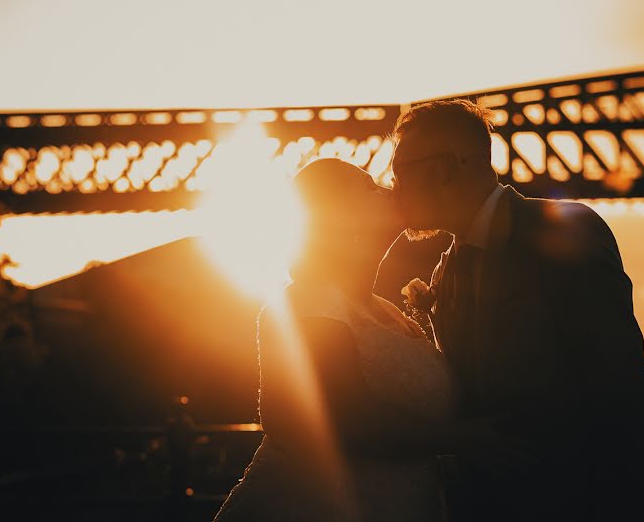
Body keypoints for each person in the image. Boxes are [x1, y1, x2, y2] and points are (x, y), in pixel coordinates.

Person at [391, 99, 644, 521]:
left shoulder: (565, 230)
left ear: (445, 168)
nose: (393, 189)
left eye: (401, 173)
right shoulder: (446, 269)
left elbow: (621, 389)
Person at [213, 158, 516, 521]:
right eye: (370, 187)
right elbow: (345, 419)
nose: (390, 189)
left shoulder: (386, 309)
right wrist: (468, 440)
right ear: (341, 218)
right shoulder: (310, 299)